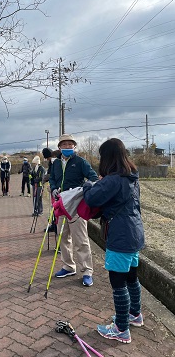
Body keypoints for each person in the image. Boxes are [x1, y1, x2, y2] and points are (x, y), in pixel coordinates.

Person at [83, 138, 144, 344]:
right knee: (132, 278)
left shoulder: (113, 180)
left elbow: (92, 199)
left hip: (119, 236)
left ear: (107, 157)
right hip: (134, 234)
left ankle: (121, 329)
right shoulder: (132, 177)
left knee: (118, 283)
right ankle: (135, 315)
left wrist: (88, 185)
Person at [49, 134, 98, 287]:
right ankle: (68, 266)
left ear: (74, 146)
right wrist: (53, 189)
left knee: (81, 239)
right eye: (65, 144)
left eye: (71, 144)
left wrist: (86, 188)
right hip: (61, 204)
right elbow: (52, 178)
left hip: (76, 205)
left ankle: (87, 271)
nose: (68, 147)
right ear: (59, 147)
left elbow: (93, 177)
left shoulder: (80, 161)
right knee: (63, 237)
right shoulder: (56, 163)